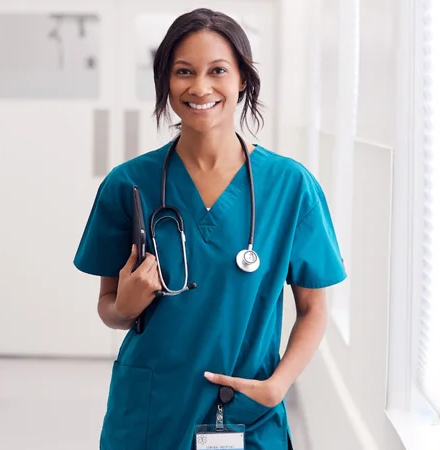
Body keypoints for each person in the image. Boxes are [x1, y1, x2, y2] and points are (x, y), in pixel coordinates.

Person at [72, 7, 347, 450]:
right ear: (165, 81)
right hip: (150, 412)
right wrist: (124, 305)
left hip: (246, 413)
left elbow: (313, 310)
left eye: (217, 70)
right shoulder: (128, 185)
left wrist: (278, 386)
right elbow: (109, 308)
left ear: (243, 79)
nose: (200, 87)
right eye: (183, 72)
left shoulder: (290, 187)